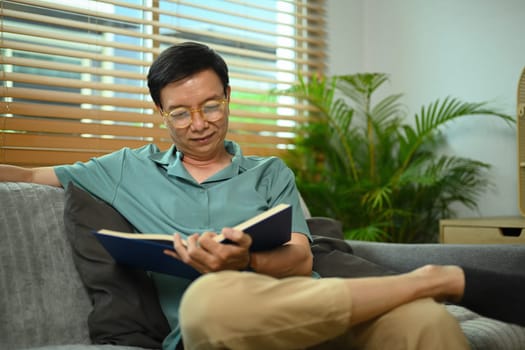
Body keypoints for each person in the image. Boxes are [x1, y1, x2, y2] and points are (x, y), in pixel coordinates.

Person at [0, 42, 520, 350]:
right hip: (221, 324)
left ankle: (430, 288)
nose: (199, 124)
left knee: (424, 322)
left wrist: (250, 257)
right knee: (210, 298)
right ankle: (431, 282)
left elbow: (298, 259)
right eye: (180, 113)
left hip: (310, 307)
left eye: (211, 105)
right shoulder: (122, 170)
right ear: (161, 114)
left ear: (228, 97)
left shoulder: (270, 172)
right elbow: (21, 170)